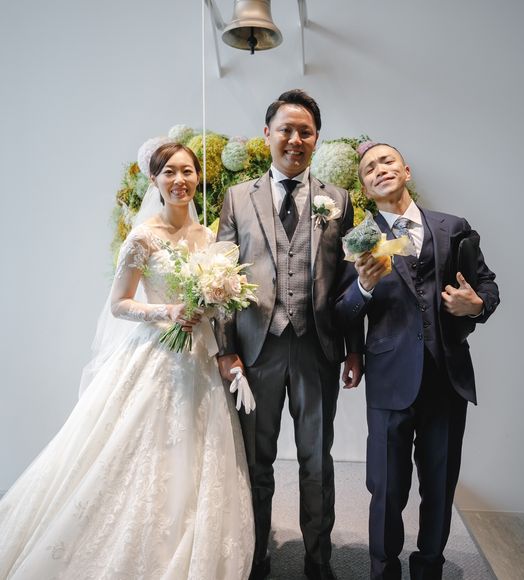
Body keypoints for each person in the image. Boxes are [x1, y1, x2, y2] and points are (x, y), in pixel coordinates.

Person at [0, 143, 254, 579]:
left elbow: (220, 306)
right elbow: (119, 304)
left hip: (199, 358)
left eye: (187, 171)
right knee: (137, 456)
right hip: (157, 356)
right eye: (169, 172)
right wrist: (166, 311)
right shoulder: (142, 238)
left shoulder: (210, 239)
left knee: (200, 453)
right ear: (154, 180)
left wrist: (212, 311)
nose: (179, 180)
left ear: (198, 177)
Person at [216, 89, 362, 580]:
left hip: (317, 347)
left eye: (305, 132)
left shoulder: (338, 199)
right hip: (256, 350)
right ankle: (255, 558)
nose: (295, 139)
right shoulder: (238, 198)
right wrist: (226, 350)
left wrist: (355, 349)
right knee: (255, 463)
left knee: (316, 461)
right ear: (268, 135)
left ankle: (318, 562)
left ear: (316, 139)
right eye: (286, 130)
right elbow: (221, 279)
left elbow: (347, 280)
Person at [335, 143, 499, 580]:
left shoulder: (452, 227)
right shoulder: (358, 241)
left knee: (440, 485)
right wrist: (363, 288)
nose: (379, 169)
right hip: (390, 380)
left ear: (405, 170)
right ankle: (383, 570)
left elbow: (486, 284)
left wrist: (476, 305)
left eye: (387, 161)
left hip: (447, 378)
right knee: (386, 488)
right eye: (369, 168)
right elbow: (341, 312)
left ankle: (429, 569)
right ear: (365, 188)